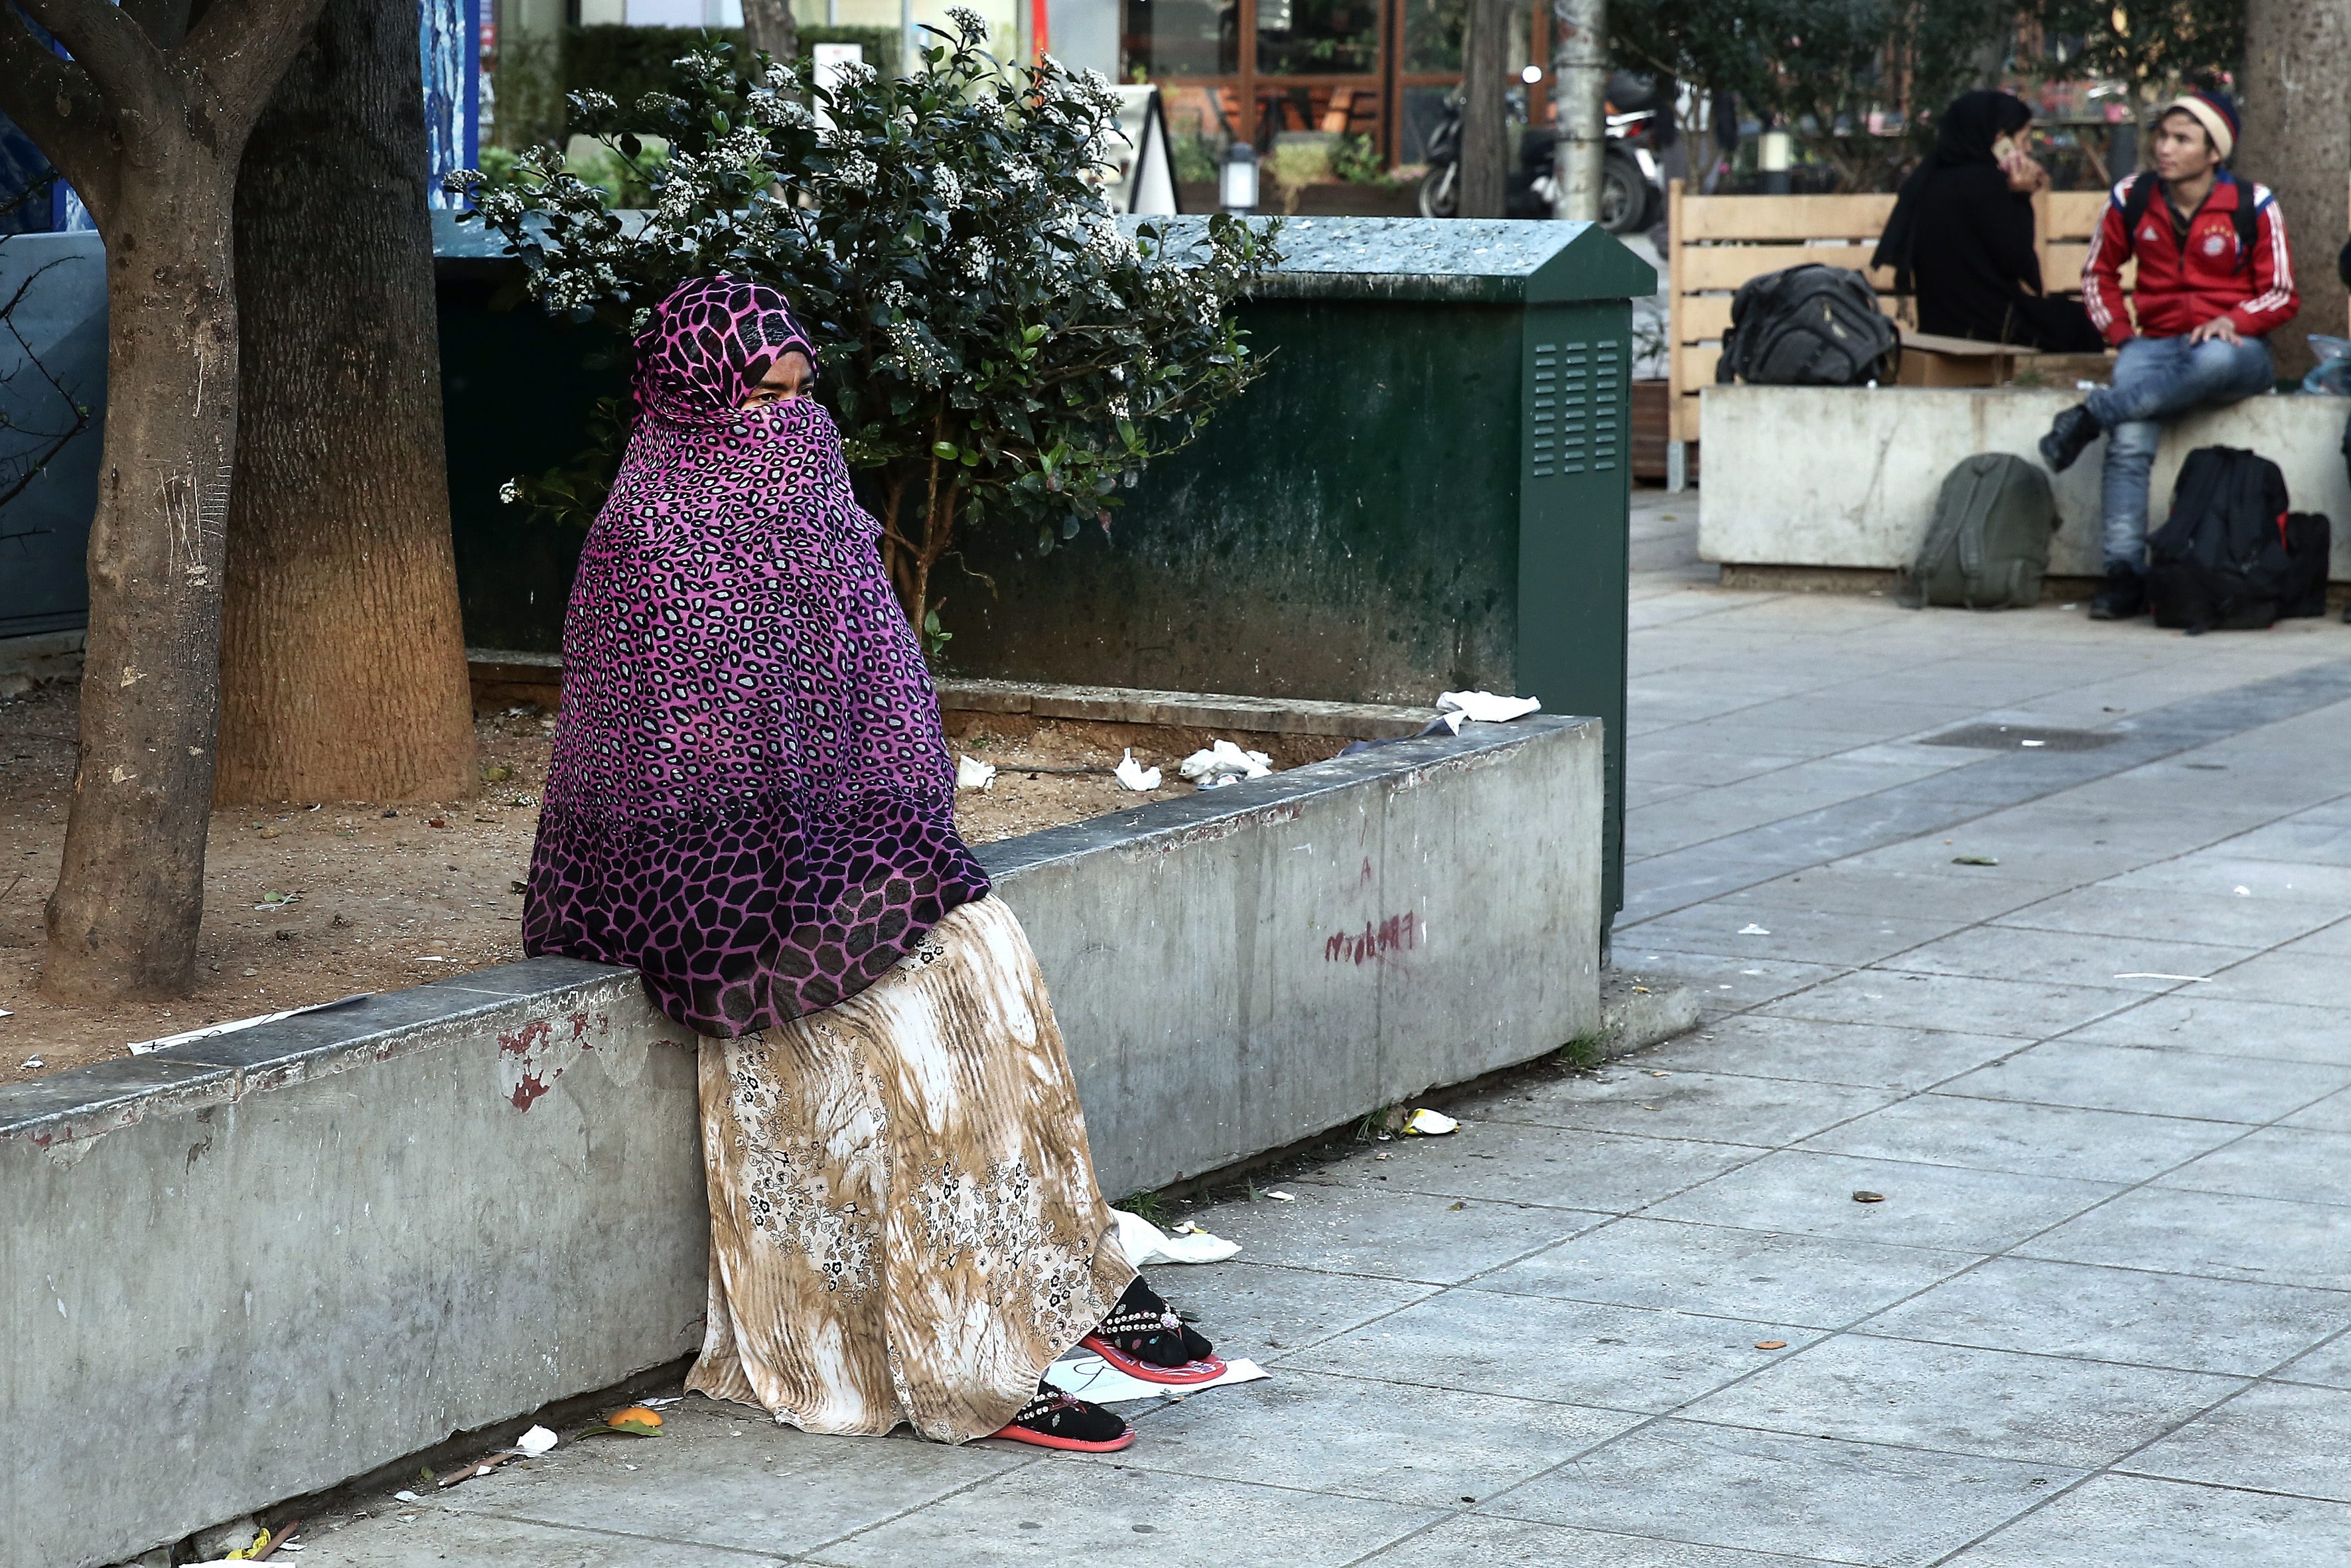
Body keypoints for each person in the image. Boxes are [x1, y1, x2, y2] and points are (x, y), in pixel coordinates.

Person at [522, 275, 1223, 1454]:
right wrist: (807, 893)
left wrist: (881, 860)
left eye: (800, 393)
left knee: (989, 959)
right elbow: (656, 780)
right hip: (715, 910)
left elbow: (883, 713)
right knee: (909, 1046)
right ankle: (967, 1347)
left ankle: (1070, 1276)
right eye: (759, 393)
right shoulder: (645, 537)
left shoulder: (813, 503)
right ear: (693, 397)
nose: (786, 418)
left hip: (832, 862)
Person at [2037, 90, 2301, 619]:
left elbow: (2282, 293)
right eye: (2163, 136)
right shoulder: (2131, 198)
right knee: (2130, 440)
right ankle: (2122, 575)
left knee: (2212, 362)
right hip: (2151, 345)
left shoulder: (2254, 204)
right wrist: (2120, 334)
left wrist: (2235, 320)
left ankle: (2094, 412)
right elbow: (2098, 275)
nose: (2165, 148)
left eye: (2182, 139)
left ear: (2213, 153)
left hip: (2234, 349)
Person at [1874, 90, 2106, 353]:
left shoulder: (1927, 181)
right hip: (1990, 327)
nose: (2029, 149)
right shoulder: (1988, 185)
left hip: (1939, 325)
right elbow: (2016, 261)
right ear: (2000, 141)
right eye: (2024, 139)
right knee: (2082, 323)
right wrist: (2021, 197)